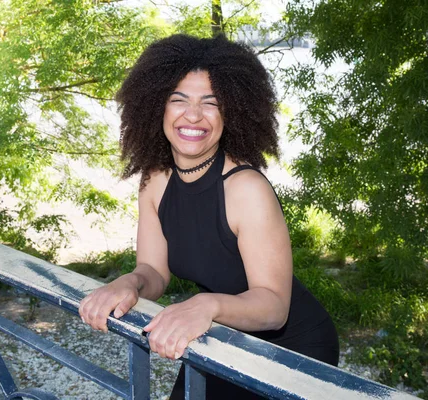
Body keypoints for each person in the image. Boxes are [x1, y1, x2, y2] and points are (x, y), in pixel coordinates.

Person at [78, 34, 339, 399]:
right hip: (221, 332)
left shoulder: (246, 188)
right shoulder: (154, 180)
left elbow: (274, 307)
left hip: (293, 349)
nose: (194, 115)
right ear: (157, 107)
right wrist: (130, 283)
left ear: (231, 111)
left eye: (210, 103)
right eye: (179, 100)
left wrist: (206, 304)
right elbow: (154, 271)